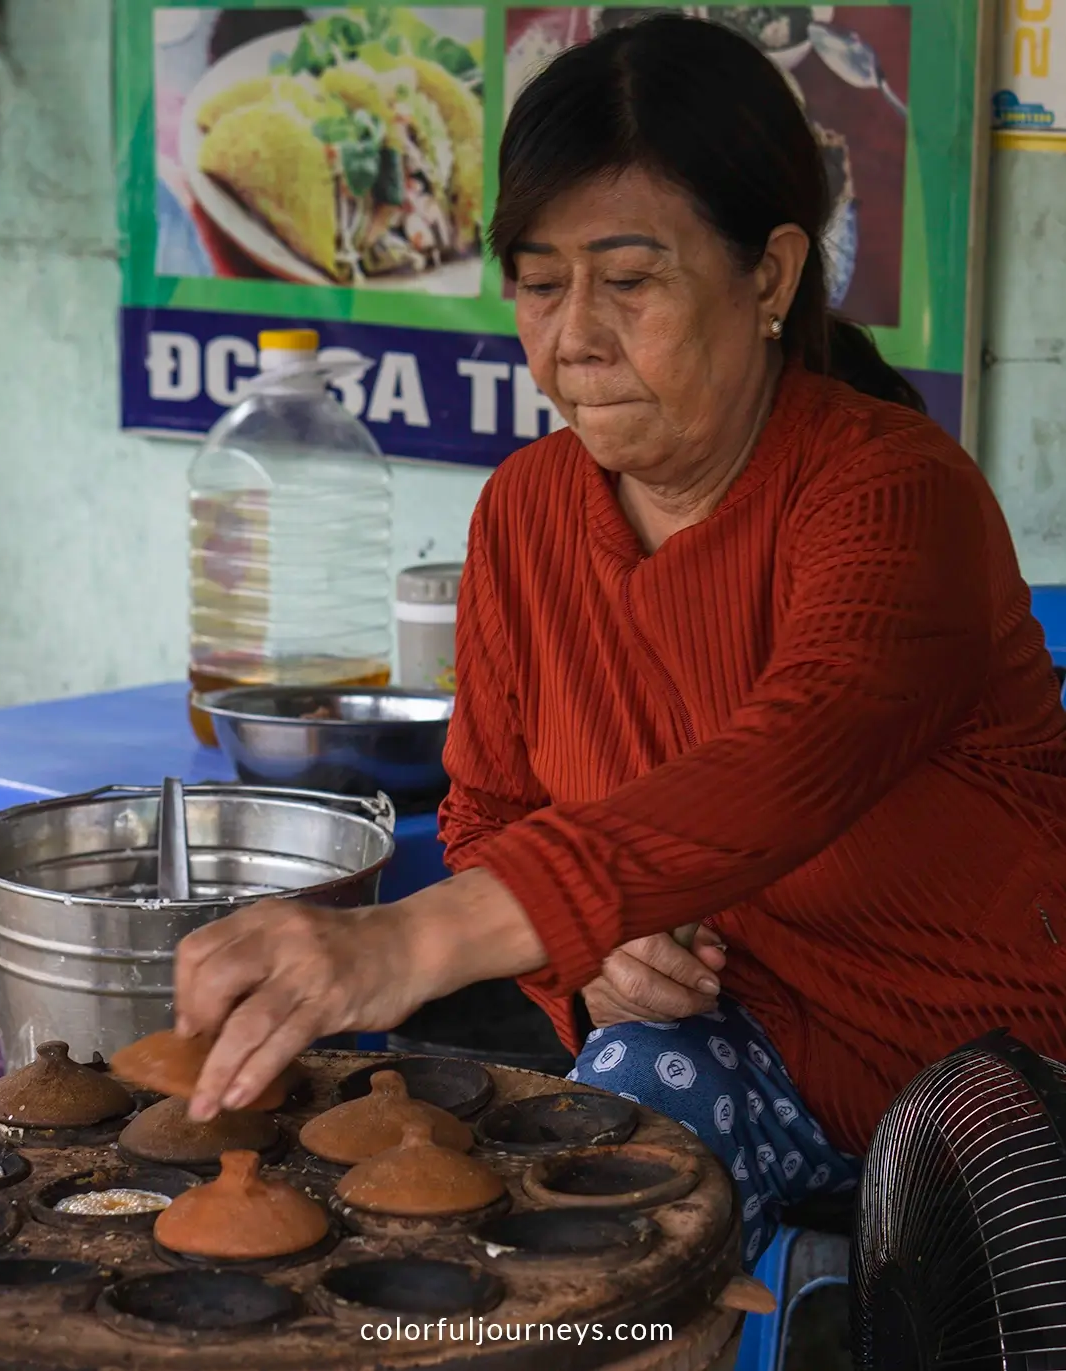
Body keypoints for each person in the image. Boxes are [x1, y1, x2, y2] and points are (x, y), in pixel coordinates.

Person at [173, 15, 1066, 1267]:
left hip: (981, 1074)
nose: (572, 336)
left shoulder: (890, 493)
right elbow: (488, 809)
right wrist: (591, 955)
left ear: (768, 275)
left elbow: (785, 761)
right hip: (731, 1052)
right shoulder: (527, 514)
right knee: (563, 1201)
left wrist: (411, 940)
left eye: (629, 279)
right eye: (541, 283)